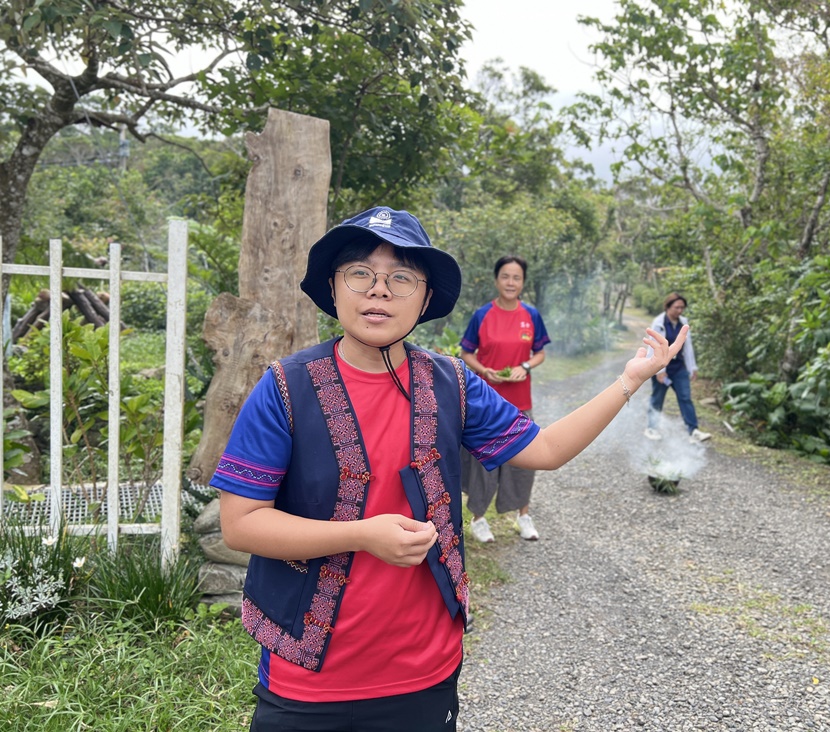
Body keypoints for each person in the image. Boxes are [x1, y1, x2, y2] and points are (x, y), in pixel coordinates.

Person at [210, 206, 688, 732]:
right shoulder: (285, 388)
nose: (379, 291)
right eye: (360, 274)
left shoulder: (450, 383)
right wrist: (363, 535)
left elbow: (545, 449)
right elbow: (241, 524)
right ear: (334, 285)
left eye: (401, 278)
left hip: (424, 669)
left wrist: (630, 379)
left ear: (426, 297)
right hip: (309, 677)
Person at [458, 255, 549, 543]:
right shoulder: (482, 315)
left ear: (523, 283)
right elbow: (466, 352)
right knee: (482, 462)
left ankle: (523, 516)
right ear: (497, 280)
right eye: (506, 276)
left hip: (520, 401)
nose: (511, 282)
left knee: (526, 462)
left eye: (517, 277)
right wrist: (484, 370)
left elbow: (540, 353)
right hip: (485, 402)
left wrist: (525, 367)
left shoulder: (531, 315)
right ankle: (478, 520)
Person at [644, 292, 711, 443]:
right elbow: (653, 347)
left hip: (679, 367)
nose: (679, 311)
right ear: (668, 307)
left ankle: (693, 431)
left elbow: (687, 347)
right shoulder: (658, 323)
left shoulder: (683, 323)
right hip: (661, 367)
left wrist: (692, 367)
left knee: (685, 398)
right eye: (676, 307)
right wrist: (659, 371)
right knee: (657, 398)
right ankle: (652, 428)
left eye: (682, 308)